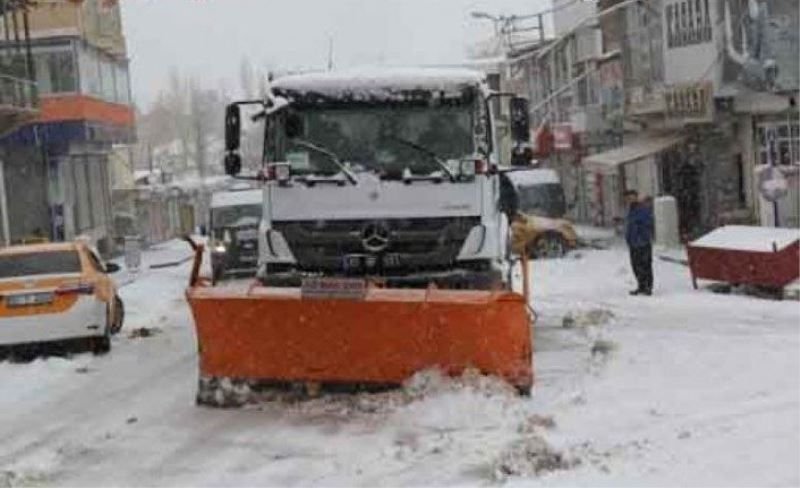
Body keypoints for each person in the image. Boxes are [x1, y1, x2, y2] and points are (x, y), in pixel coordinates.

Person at [624, 189, 653, 295]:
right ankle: (641, 286)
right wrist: (628, 238)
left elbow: (646, 223)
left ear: (636, 197)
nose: (630, 199)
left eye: (632, 197)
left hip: (643, 242)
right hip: (633, 242)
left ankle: (648, 287)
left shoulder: (642, 208)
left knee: (645, 265)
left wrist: (644, 237)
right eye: (628, 198)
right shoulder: (630, 210)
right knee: (636, 265)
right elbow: (630, 225)